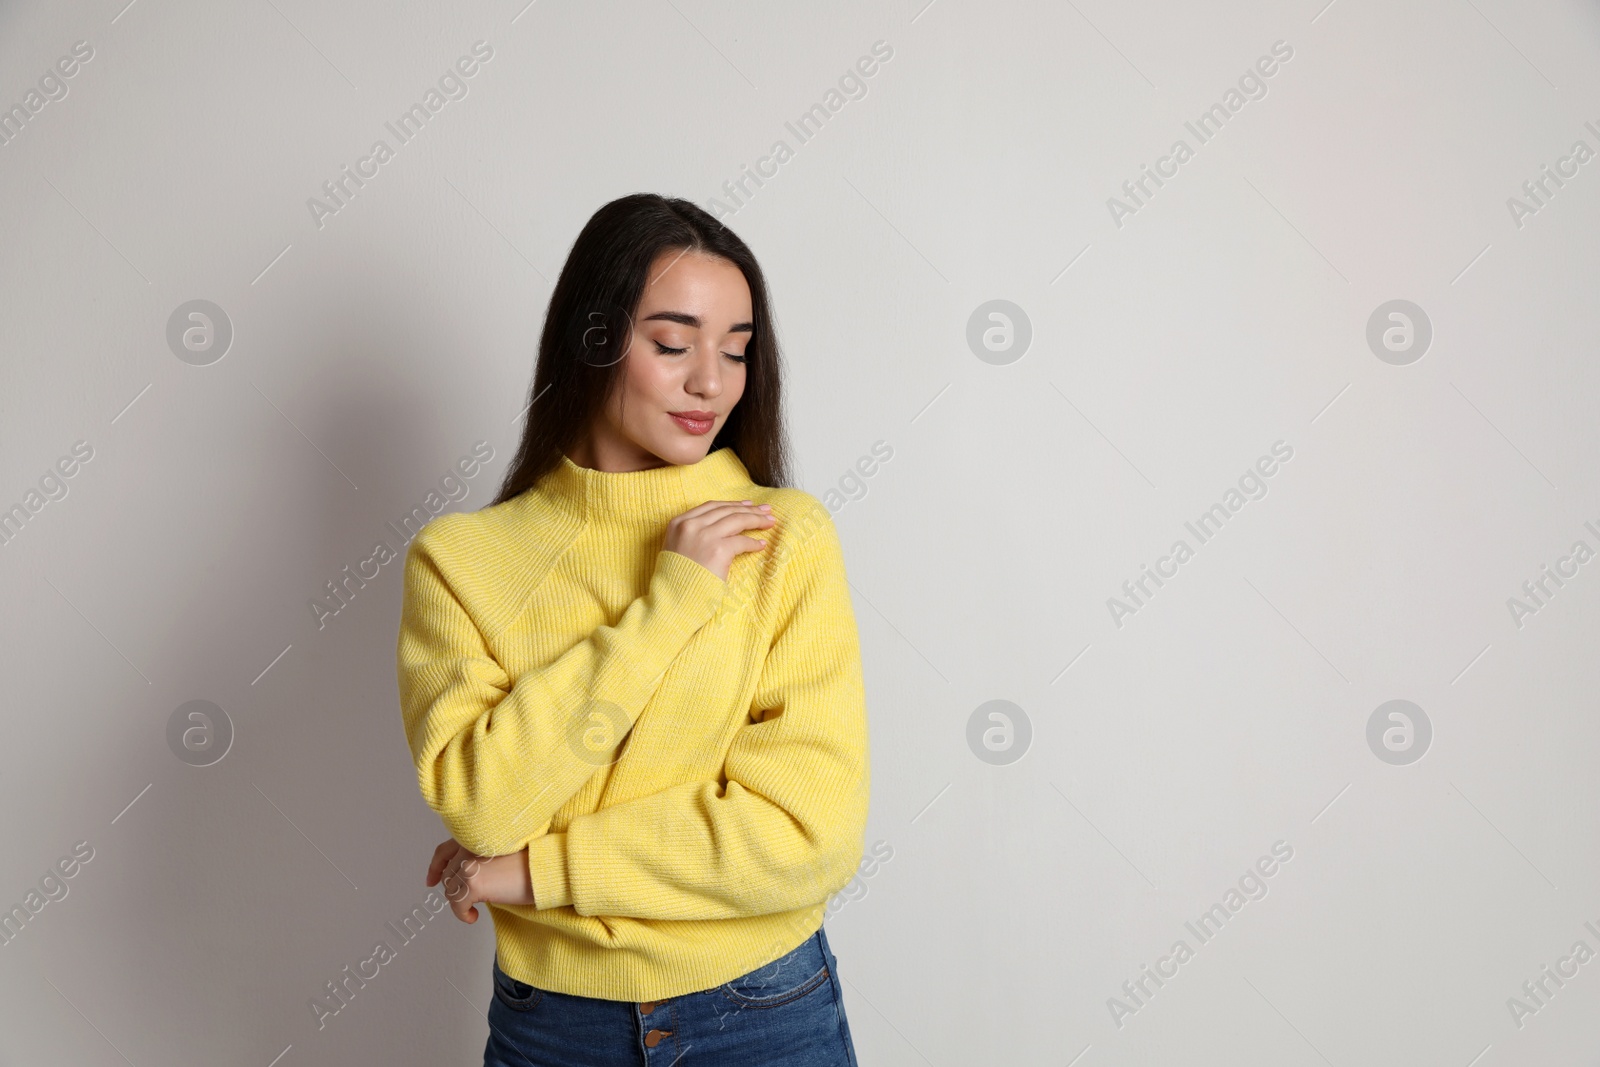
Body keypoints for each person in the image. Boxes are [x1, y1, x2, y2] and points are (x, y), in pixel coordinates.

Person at [395, 193, 869, 1065]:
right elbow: (486, 802)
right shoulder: (461, 561)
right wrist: (670, 604)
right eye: (673, 343)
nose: (711, 382)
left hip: (760, 1008)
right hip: (554, 1025)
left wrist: (539, 872)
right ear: (595, 339)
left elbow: (808, 833)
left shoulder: (783, 538)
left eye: (735, 350)